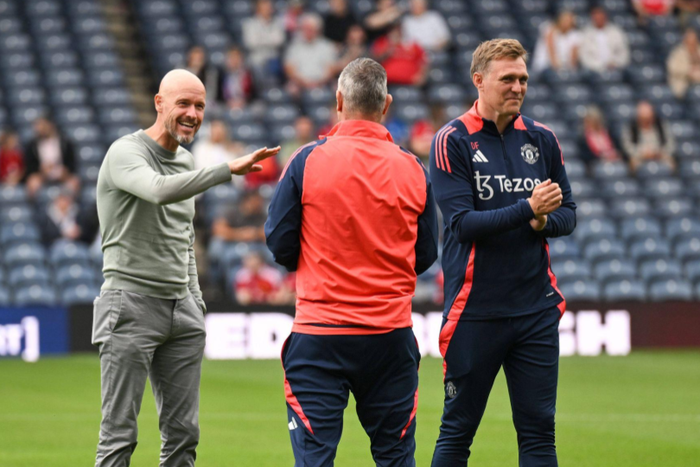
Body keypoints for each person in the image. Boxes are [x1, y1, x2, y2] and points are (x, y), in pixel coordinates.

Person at [92, 69, 279, 467]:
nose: (193, 113)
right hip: (130, 305)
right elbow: (158, 191)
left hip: (182, 310)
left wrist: (194, 300)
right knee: (119, 437)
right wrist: (226, 170)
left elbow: (183, 237)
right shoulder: (125, 152)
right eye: (184, 103)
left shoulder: (187, 161)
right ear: (159, 104)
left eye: (199, 106)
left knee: (183, 438)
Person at [265, 57, 438, 466]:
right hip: (389, 337)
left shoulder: (306, 162)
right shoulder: (414, 169)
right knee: (395, 456)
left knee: (315, 459)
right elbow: (426, 255)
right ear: (387, 104)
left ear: (338, 100)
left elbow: (280, 245)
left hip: (320, 335)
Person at [429, 38, 576, 466]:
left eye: (523, 79)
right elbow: (462, 224)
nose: (518, 87)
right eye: (507, 78)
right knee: (457, 433)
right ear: (479, 81)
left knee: (539, 434)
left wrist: (544, 220)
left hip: (535, 310)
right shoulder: (451, 140)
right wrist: (527, 209)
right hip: (475, 311)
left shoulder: (542, 139)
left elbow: (568, 214)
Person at [24, 116, 80, 198]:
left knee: (74, 182)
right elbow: (29, 165)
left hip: (62, 173)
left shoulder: (65, 142)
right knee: (32, 182)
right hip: (41, 174)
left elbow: (72, 162)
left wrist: (65, 171)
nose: (39, 129)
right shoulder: (32, 145)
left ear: (50, 125)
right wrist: (40, 170)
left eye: (42, 125)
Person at [284, 13, 338, 95]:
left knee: (338, 88)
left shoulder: (327, 46)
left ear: (317, 30)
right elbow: (289, 69)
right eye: (305, 28)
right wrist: (305, 83)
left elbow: (331, 69)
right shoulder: (294, 47)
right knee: (291, 89)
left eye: (311, 29)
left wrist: (318, 82)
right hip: (300, 84)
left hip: (323, 83)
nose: (308, 31)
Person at [621, 100, 676, 172]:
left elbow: (671, 144)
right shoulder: (631, 128)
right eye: (643, 119)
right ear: (638, 118)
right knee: (633, 163)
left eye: (648, 118)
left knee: (671, 163)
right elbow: (627, 146)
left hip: (660, 156)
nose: (646, 121)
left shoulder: (662, 126)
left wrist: (660, 152)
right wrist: (642, 153)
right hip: (639, 157)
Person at [242, 0, 286, 79]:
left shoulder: (277, 22)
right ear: (258, 8)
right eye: (265, 5)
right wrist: (270, 40)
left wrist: (261, 39)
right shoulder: (250, 23)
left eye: (269, 5)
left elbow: (279, 41)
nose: (268, 8)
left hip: (274, 60)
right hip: (257, 61)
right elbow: (251, 43)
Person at [579, 6, 630, 74]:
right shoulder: (585, 34)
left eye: (601, 17)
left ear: (605, 17)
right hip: (594, 71)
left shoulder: (616, 32)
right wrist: (600, 66)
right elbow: (584, 56)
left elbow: (623, 52)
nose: (599, 19)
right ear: (592, 18)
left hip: (616, 68)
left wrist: (615, 63)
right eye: (596, 17)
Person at [531, 10, 580, 75]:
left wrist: (571, 71)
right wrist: (558, 69)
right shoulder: (549, 29)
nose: (566, 22)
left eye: (569, 20)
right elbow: (551, 52)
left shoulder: (575, 35)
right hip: (545, 66)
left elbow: (573, 58)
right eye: (564, 19)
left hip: (564, 68)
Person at [667, 28, 700, 99]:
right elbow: (673, 68)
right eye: (689, 42)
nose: (692, 44)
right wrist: (689, 71)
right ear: (685, 41)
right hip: (683, 84)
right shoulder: (678, 52)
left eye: (694, 42)